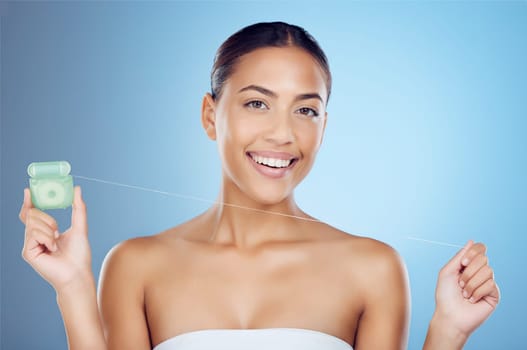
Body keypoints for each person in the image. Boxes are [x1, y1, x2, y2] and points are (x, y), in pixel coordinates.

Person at [19, 22, 499, 350]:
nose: (283, 134)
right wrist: (73, 287)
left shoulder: (373, 268)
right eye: (256, 103)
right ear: (211, 115)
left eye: (306, 110)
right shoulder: (134, 265)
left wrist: (447, 331)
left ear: (324, 126)